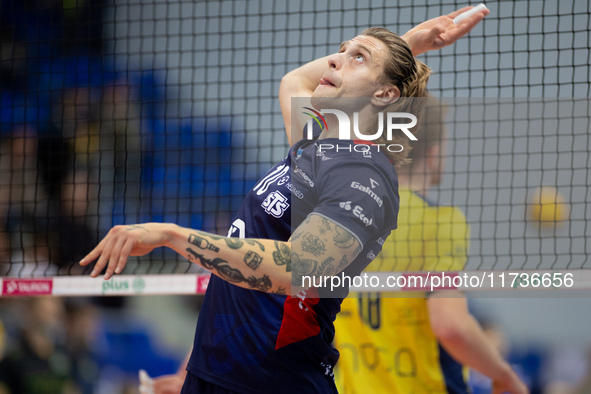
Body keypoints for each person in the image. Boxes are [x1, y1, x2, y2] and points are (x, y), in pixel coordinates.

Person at [81, 6, 490, 394]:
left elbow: (299, 268)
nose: (335, 61)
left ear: (385, 95)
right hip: (220, 371)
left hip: (274, 380)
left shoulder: (363, 175)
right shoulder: (314, 147)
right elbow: (294, 82)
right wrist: (409, 44)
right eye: (340, 51)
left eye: (356, 58)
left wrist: (173, 235)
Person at [332, 102, 529, 394]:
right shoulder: (441, 221)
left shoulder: (336, 219)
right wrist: (503, 373)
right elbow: (450, 325)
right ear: (435, 155)